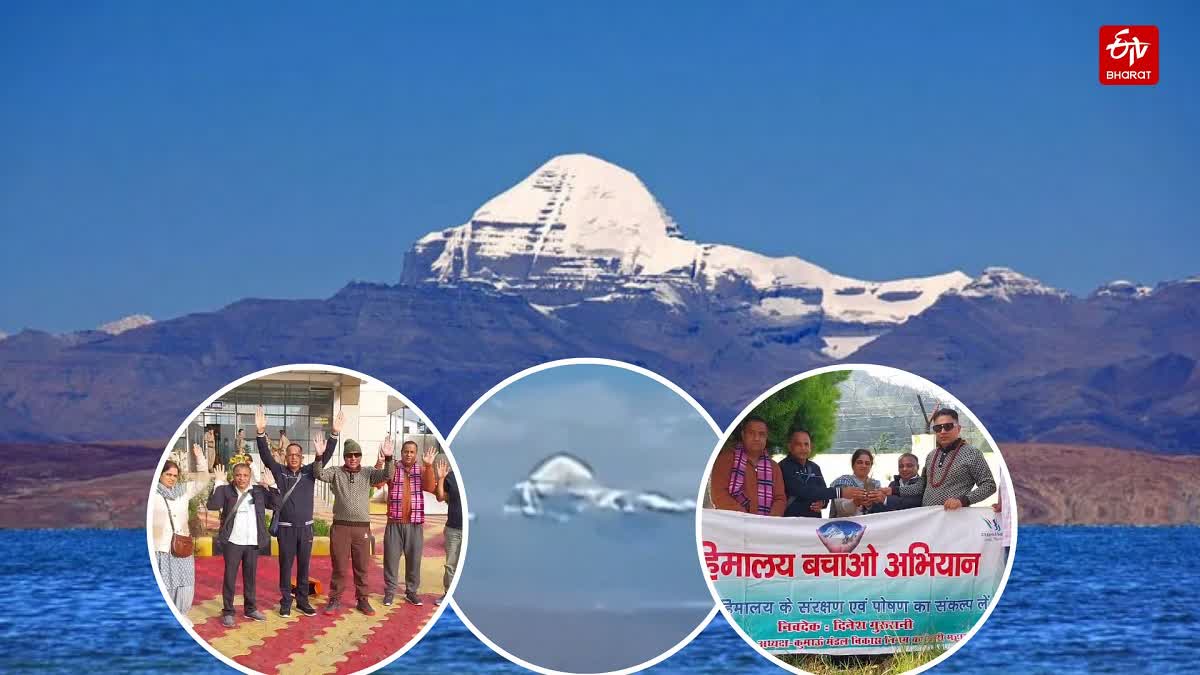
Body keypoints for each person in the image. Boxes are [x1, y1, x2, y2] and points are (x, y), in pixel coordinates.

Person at [255, 405, 342, 617]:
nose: (294, 457)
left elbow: (326, 456)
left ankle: (302, 601)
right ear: (285, 457)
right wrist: (260, 433)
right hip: (285, 530)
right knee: (285, 567)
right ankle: (285, 601)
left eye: (297, 455)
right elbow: (266, 456)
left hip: (306, 530)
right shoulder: (280, 472)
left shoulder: (309, 472)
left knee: (304, 567)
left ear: (302, 458)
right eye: (290, 454)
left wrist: (334, 434)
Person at [317, 437, 395, 616]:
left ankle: (362, 600)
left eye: (356, 454)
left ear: (360, 456)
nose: (353, 458)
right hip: (341, 528)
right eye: (349, 455)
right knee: (339, 566)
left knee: (362, 567)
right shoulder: (336, 472)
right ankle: (335, 599)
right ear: (345, 457)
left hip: (361, 529)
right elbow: (319, 474)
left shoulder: (368, 472)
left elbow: (387, 475)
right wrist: (319, 456)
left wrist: (389, 458)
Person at [880, 409, 997, 510]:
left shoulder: (972, 453)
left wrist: (962, 501)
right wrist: (894, 490)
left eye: (948, 426)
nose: (943, 432)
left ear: (959, 428)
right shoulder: (931, 455)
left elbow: (989, 485)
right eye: (937, 428)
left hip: (954, 519)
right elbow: (922, 487)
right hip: (928, 518)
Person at [207, 462, 278, 627]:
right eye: (238, 475)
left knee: (250, 577)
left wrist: (272, 485)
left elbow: (276, 504)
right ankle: (228, 611)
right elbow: (213, 505)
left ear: (250, 476)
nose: (242, 479)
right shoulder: (226, 491)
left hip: (252, 541)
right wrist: (218, 482)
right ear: (233, 476)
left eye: (245, 475)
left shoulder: (258, 491)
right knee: (230, 577)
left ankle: (251, 609)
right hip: (233, 541)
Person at [151, 444, 212, 628]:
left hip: (182, 547)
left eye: (175, 475)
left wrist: (200, 460)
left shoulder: (182, 492)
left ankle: (181, 615)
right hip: (160, 549)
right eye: (168, 474)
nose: (171, 478)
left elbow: (203, 481)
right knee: (165, 585)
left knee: (184, 584)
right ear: (160, 474)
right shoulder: (152, 494)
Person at [382, 440, 437, 607]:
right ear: (401, 452)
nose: (408, 454)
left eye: (412, 452)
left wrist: (428, 467)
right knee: (391, 560)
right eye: (406, 451)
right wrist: (384, 460)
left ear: (416, 454)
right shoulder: (393, 468)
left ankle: (411, 592)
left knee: (414, 560)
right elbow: (378, 482)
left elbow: (429, 487)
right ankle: (390, 592)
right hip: (394, 523)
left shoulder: (421, 470)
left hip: (414, 524)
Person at [710, 416, 786, 516]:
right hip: (732, 523)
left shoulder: (774, 467)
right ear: (743, 435)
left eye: (761, 434)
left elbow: (780, 498)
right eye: (751, 433)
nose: (756, 438)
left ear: (766, 437)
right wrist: (746, 518)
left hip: (766, 526)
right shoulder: (726, 459)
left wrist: (768, 521)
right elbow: (719, 494)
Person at [778, 427, 864, 517]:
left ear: (811, 447)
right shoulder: (784, 467)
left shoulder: (815, 467)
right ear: (790, 446)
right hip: (790, 524)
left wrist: (822, 503)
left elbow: (823, 492)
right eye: (798, 444)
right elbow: (803, 491)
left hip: (814, 524)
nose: (803, 448)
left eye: (806, 444)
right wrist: (840, 492)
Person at [433, 454, 461, 607]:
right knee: (451, 564)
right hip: (453, 529)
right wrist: (442, 478)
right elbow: (440, 497)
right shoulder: (451, 477)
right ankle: (448, 594)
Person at [829, 449, 882, 517]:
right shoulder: (842, 481)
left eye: (867, 463)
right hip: (845, 525)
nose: (864, 466)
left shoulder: (875, 484)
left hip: (871, 525)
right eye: (859, 462)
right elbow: (840, 509)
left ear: (871, 466)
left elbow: (880, 510)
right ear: (853, 465)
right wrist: (855, 502)